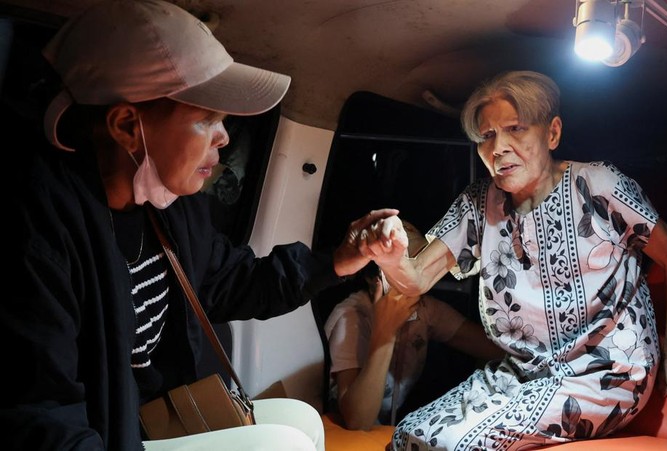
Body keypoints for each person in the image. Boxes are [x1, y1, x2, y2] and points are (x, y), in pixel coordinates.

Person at [1, 1, 396, 450]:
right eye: (206, 119)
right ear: (127, 126)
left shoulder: (168, 208)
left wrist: (339, 261)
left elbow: (234, 281)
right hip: (102, 435)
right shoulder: (38, 230)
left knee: (300, 419)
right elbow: (40, 415)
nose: (224, 136)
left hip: (147, 421)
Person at [357, 71, 667, 449]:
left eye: (515, 129)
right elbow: (414, 280)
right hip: (523, 373)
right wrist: (391, 256)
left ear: (552, 133)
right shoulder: (478, 204)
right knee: (409, 434)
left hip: (606, 374)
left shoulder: (599, 184)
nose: (499, 148)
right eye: (487, 136)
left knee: (459, 445)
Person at [324, 221, 503, 430]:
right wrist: (385, 331)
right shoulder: (352, 317)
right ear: (375, 279)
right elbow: (357, 420)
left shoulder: (424, 310)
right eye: (400, 270)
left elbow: (489, 347)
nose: (404, 230)